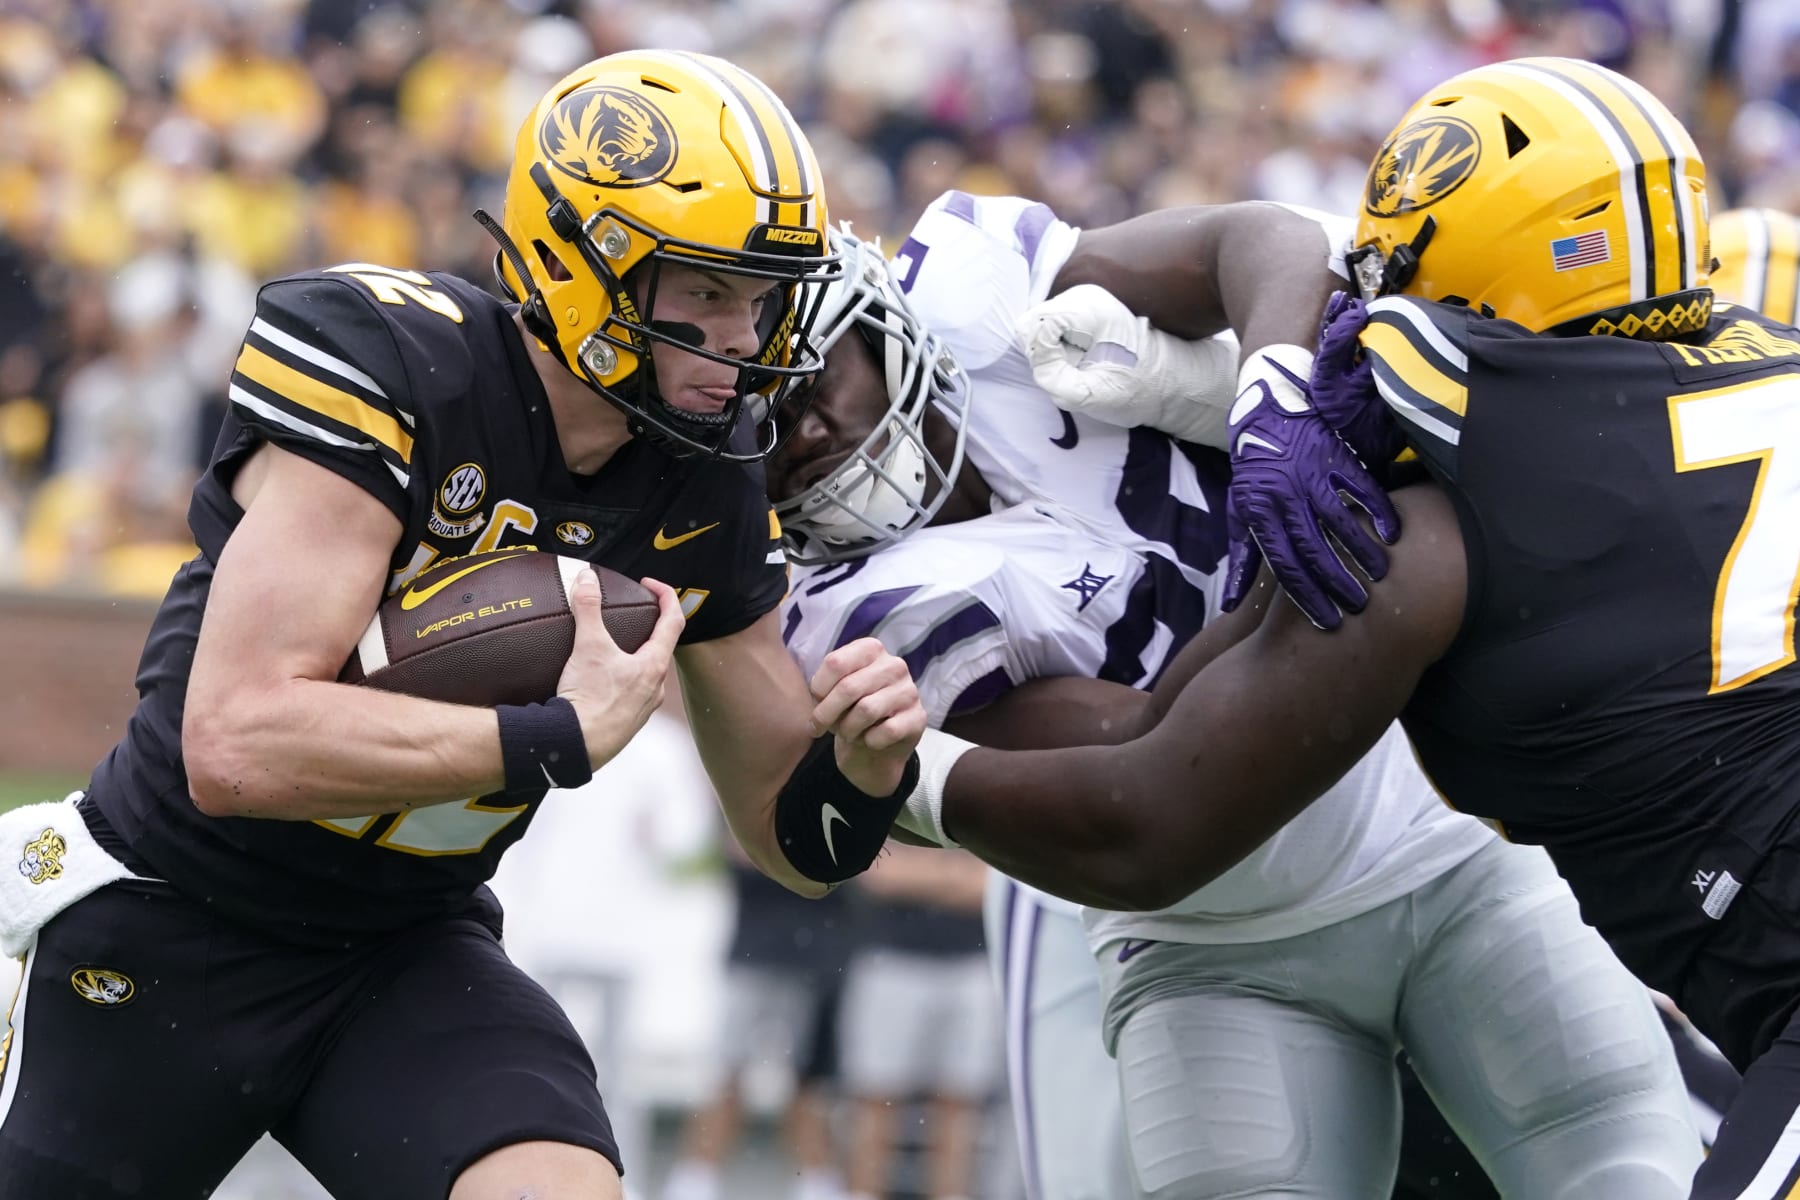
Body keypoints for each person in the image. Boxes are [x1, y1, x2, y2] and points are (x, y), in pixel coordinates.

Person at [0, 50, 926, 1200]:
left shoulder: (712, 470)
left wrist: (860, 762)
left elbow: (796, 847)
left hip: (402, 949)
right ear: (584, 265)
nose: (745, 339)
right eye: (705, 291)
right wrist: (547, 737)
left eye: (761, 296)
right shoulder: (398, 366)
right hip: (170, 914)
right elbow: (233, 744)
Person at [881, 55, 1800, 1200]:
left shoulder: (1447, 482)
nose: (1370, 293)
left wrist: (897, 774)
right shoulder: (1766, 352)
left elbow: (1146, 818)